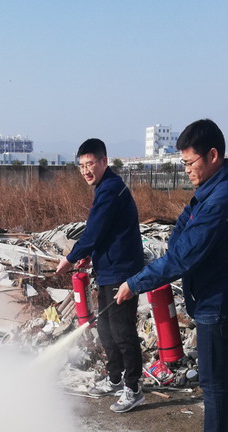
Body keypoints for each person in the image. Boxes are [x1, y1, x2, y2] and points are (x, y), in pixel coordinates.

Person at [115, 119, 228, 432]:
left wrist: (135, 283)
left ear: (213, 155)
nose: (186, 170)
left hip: (216, 299)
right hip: (218, 293)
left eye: (190, 163)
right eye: (183, 163)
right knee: (222, 374)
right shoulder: (215, 186)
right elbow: (182, 233)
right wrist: (178, 244)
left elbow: (181, 257)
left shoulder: (220, 197)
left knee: (213, 381)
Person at [56, 138, 146, 413]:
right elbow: (105, 231)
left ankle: (134, 388)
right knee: (106, 328)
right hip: (108, 269)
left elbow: (94, 231)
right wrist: (89, 255)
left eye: (90, 164)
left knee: (122, 330)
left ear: (104, 161)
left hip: (122, 270)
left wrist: (71, 258)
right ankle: (115, 378)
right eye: (81, 165)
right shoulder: (104, 188)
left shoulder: (110, 190)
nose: (85, 170)